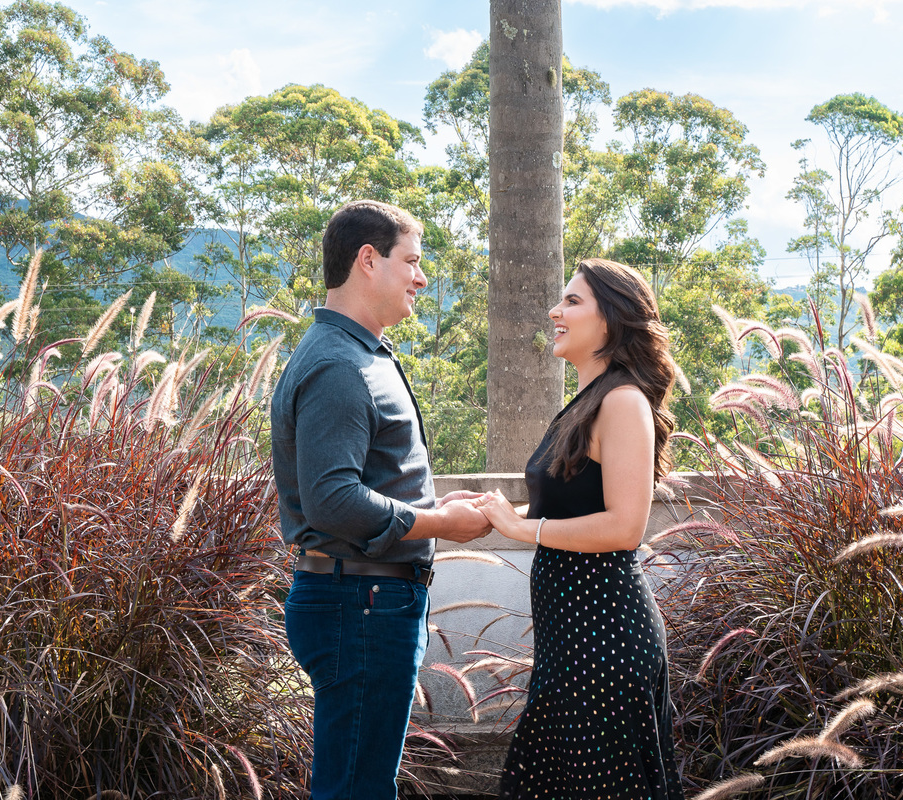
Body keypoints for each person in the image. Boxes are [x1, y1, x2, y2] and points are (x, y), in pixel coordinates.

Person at [270, 199, 491, 800]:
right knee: (356, 790)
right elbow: (332, 499)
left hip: (366, 601)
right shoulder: (340, 364)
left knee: (360, 783)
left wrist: (437, 507)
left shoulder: (359, 354)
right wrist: (439, 522)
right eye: (412, 261)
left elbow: (364, 481)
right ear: (368, 260)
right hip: (360, 604)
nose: (421, 277)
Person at [473, 258, 683, 800]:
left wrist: (523, 531)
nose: (554, 311)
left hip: (604, 641)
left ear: (610, 319)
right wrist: (493, 513)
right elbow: (564, 508)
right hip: (570, 642)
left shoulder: (623, 401)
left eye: (572, 301)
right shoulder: (587, 402)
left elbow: (625, 527)